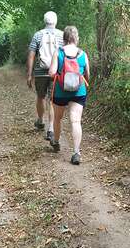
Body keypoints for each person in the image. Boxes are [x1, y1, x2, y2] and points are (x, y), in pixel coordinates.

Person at [48, 26, 90, 165]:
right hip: (79, 91)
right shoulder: (83, 54)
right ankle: (76, 152)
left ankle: (56, 142)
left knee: (58, 119)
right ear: (76, 38)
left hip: (60, 91)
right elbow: (87, 75)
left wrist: (60, 73)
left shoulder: (58, 52)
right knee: (76, 121)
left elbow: (52, 73)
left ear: (64, 38)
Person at [27, 11, 63, 141]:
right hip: (55, 73)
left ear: (44, 21)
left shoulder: (38, 35)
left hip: (40, 71)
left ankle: (40, 120)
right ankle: (51, 129)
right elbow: (65, 55)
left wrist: (29, 74)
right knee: (52, 100)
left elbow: (31, 54)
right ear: (55, 21)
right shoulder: (61, 35)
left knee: (40, 96)